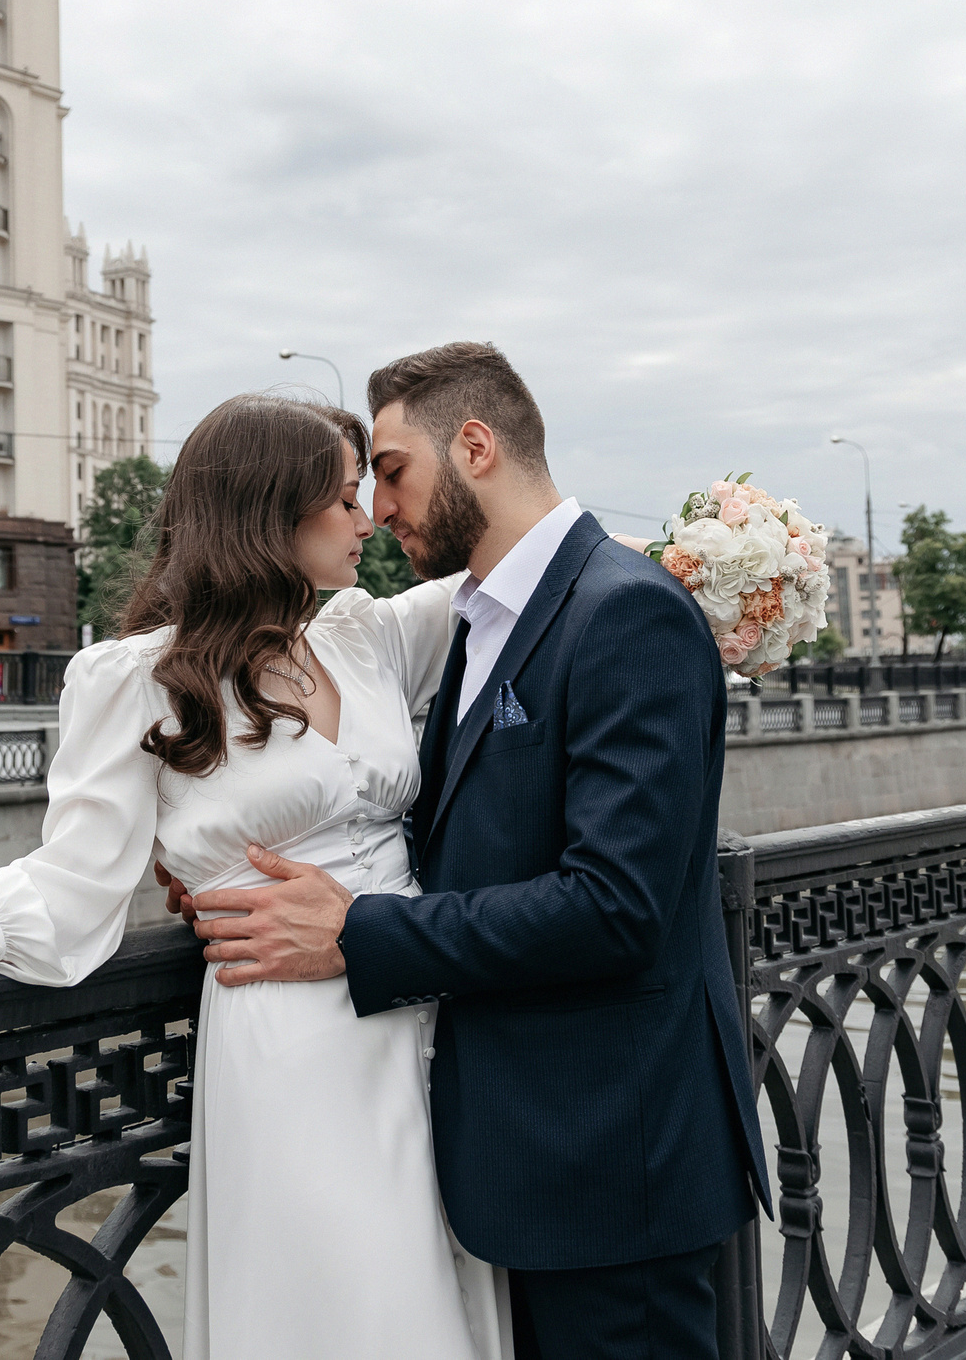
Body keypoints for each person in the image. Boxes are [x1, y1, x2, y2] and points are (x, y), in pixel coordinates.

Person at [0, 393, 507, 1360]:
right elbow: (70, 885)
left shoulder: (364, 636)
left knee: (451, 1297)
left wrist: (710, 559)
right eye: (341, 498)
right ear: (265, 511)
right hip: (298, 1041)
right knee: (352, 1308)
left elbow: (530, 575)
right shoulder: (136, 678)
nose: (367, 518)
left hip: (427, 1011)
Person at [184, 342, 769, 1360]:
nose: (376, 503)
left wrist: (360, 932)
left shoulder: (621, 611)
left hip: (610, 1172)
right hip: (517, 1168)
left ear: (475, 445)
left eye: (393, 468)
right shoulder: (481, 620)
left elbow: (616, 907)